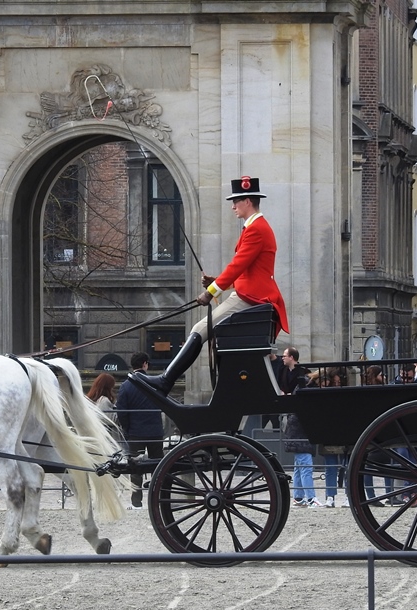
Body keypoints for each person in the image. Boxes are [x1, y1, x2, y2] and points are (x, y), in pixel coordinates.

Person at [135, 176, 289, 394]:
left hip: (251, 298)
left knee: (199, 329)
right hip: (252, 294)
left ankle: (165, 381)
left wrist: (210, 292)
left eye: (236, 201)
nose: (233, 206)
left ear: (247, 201)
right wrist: (216, 282)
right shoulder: (257, 227)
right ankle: (166, 380)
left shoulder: (256, 229)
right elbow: (249, 272)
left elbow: (237, 266)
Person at [115, 353, 165, 510]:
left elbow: (121, 412)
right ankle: (160, 499)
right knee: (159, 466)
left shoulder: (126, 386)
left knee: (135, 469)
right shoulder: (154, 383)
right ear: (145, 364)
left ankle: (136, 502)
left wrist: (127, 429)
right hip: (155, 431)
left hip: (136, 432)